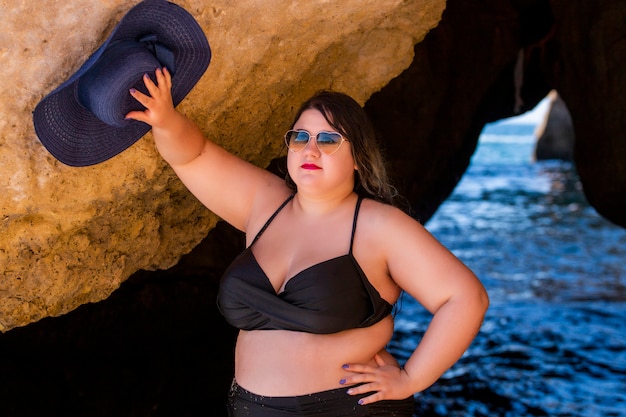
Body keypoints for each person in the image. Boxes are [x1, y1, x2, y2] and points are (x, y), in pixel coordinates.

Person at [126, 67, 489, 416]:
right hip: (251, 409)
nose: (310, 150)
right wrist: (165, 118)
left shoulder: (378, 226)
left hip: (344, 409)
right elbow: (193, 155)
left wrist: (411, 379)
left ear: (358, 158)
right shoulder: (265, 203)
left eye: (328, 140)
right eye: (300, 137)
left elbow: (465, 298)